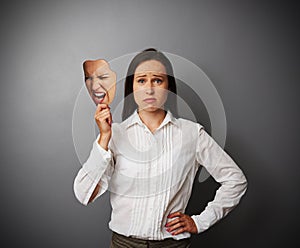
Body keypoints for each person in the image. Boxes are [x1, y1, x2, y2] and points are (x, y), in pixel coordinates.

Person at [73, 48, 248, 248]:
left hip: (172, 245)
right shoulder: (115, 134)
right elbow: (83, 194)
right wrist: (104, 137)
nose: (149, 89)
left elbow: (235, 180)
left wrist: (200, 222)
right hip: (124, 244)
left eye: (157, 80)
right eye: (141, 81)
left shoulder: (192, 134)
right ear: (131, 87)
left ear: (168, 87)